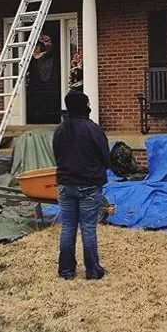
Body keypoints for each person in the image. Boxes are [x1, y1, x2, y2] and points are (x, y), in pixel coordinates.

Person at [52, 91, 110, 280]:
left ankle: (66, 271)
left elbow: (57, 155)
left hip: (65, 184)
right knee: (87, 227)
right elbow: (106, 157)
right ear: (85, 106)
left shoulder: (60, 130)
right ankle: (93, 271)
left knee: (68, 226)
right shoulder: (93, 129)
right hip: (89, 185)